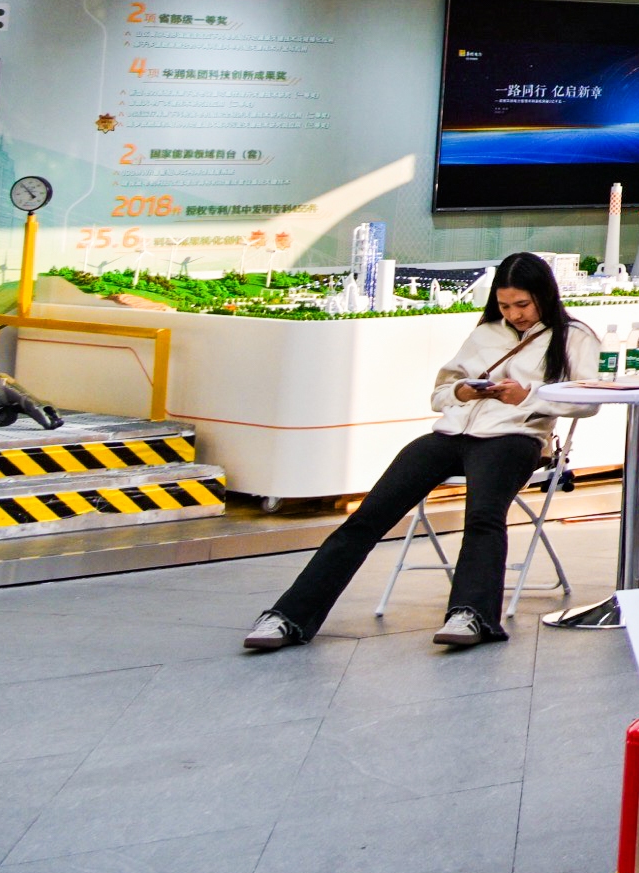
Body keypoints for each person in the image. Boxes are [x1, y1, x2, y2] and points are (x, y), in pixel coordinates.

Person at [243, 252, 587, 653]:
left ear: (545, 294)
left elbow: (587, 400)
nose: (514, 315)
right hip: (451, 435)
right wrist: (461, 391)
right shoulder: (486, 334)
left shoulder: (575, 336)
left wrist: (527, 396)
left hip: (515, 438)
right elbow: (440, 394)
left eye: (523, 305)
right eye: (505, 305)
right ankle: (288, 617)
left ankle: (472, 614)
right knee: (367, 517)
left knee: (483, 517)